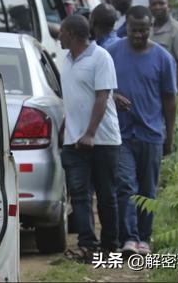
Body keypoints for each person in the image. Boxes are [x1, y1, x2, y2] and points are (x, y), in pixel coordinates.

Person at [106, 6, 176, 256]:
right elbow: (100, 88)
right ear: (127, 27)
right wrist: (112, 97)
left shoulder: (163, 59)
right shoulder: (112, 53)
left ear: (151, 28)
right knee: (125, 185)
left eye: (144, 31)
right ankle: (129, 238)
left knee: (148, 190)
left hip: (152, 134)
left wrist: (170, 134)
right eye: (135, 30)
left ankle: (144, 238)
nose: (139, 35)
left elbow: (170, 100)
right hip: (121, 134)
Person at [59, 15, 121, 261]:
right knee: (80, 194)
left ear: (72, 34)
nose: (59, 36)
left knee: (106, 195)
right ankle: (87, 245)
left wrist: (90, 134)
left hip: (102, 139)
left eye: (62, 32)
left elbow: (102, 96)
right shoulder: (66, 60)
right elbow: (74, 98)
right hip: (74, 141)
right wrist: (67, 127)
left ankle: (110, 246)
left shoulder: (100, 57)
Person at [149, 0, 178, 98]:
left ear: (168, 6)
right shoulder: (147, 29)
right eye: (154, 4)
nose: (157, 7)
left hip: (170, 91)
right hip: (151, 90)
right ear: (149, 7)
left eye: (161, 3)